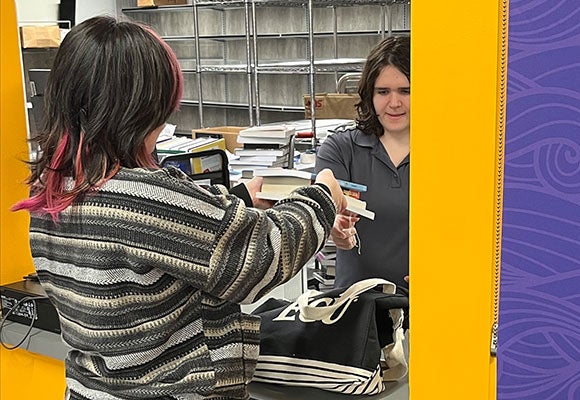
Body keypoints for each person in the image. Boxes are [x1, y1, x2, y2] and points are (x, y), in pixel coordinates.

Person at [12, 16, 346, 400]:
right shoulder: (146, 198)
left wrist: (238, 195)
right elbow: (263, 256)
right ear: (139, 109)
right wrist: (322, 197)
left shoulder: (54, 192)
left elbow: (158, 243)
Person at [314, 35, 410, 291]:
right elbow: (323, 206)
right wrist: (334, 227)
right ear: (369, 94)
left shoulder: (452, 154)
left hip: (430, 309)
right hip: (357, 313)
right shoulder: (340, 149)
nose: (394, 103)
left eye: (405, 91)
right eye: (383, 92)